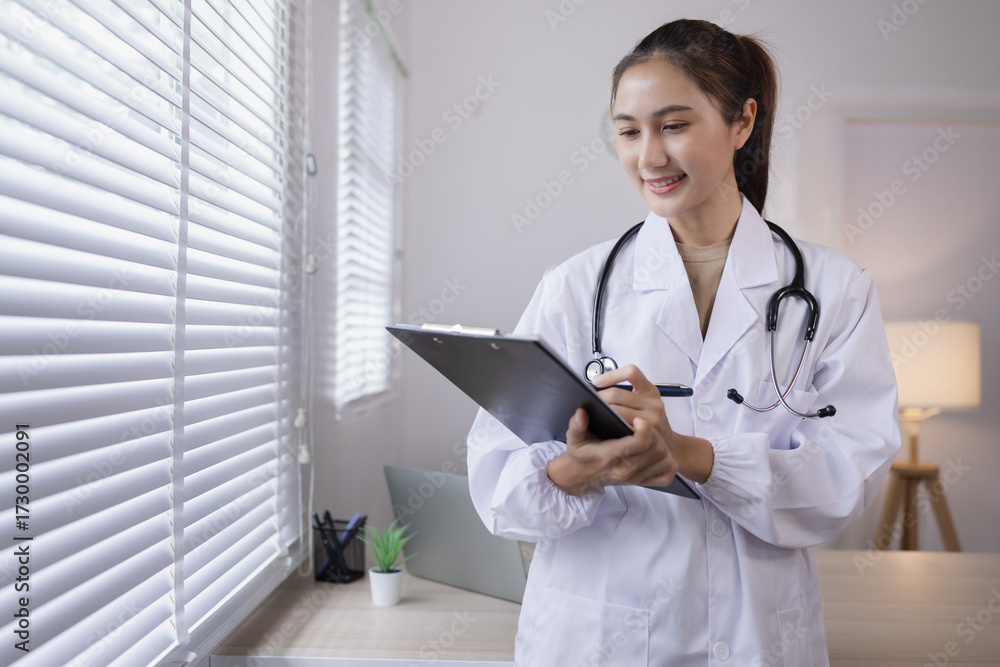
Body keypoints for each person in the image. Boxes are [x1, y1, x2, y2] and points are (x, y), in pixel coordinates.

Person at [466, 18, 901, 667]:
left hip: (756, 638)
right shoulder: (575, 287)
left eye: (673, 126)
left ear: (742, 122)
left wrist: (692, 454)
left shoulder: (835, 289)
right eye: (628, 131)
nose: (649, 157)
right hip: (598, 638)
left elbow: (847, 479)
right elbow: (497, 488)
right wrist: (581, 468)